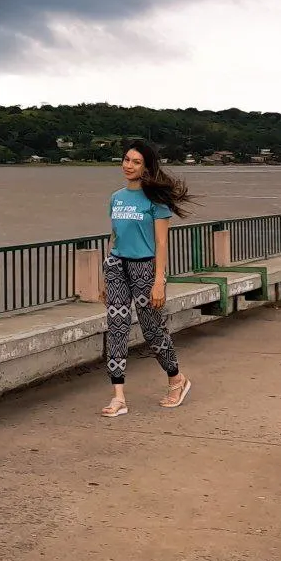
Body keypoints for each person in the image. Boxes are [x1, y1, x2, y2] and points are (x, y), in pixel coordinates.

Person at [100, 140, 195, 417]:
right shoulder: (116, 198)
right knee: (116, 326)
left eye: (136, 162)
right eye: (126, 160)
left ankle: (176, 380)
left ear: (146, 167)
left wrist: (158, 280)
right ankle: (118, 397)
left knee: (152, 330)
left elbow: (162, 243)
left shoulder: (156, 200)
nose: (128, 166)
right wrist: (104, 276)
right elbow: (114, 236)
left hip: (145, 268)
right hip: (117, 265)